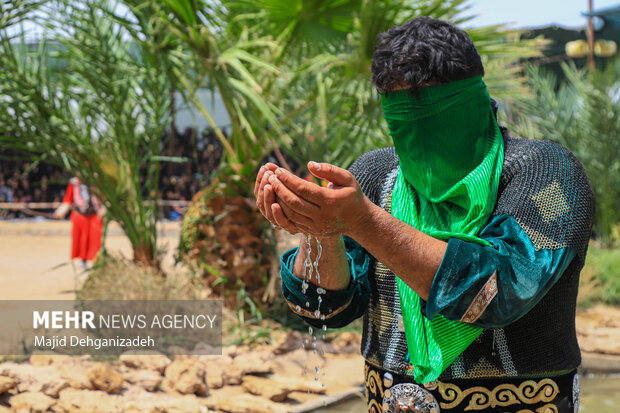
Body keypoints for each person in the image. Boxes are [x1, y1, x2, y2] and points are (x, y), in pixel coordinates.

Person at [254, 17, 595, 413]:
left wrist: (362, 221)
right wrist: (319, 230)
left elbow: (495, 293)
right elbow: (324, 309)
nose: (419, 144)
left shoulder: (547, 173)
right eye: (403, 127)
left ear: (476, 104)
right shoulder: (374, 176)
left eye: (436, 123)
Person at [54, 176, 104, 266]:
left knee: (96, 239)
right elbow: (68, 199)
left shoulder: (98, 180)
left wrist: (103, 209)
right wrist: (60, 212)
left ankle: (97, 261)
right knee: (82, 239)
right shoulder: (74, 183)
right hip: (80, 215)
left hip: (95, 215)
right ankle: (83, 260)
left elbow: (104, 198)